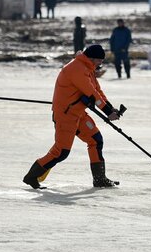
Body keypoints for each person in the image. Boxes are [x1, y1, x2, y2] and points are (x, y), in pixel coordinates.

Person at [22, 44, 122, 190]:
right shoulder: (77, 69)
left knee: (95, 140)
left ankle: (99, 179)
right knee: (61, 152)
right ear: (92, 58)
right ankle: (31, 176)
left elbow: (97, 91)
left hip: (78, 113)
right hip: (66, 115)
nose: (101, 63)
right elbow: (91, 94)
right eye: (100, 60)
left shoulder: (88, 68)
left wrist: (110, 107)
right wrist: (107, 112)